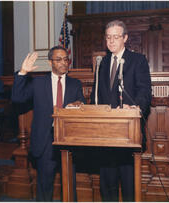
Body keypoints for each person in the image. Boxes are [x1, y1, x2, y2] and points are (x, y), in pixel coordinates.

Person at [12, 46, 86, 201]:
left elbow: (83, 107)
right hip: (46, 141)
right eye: (58, 59)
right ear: (50, 62)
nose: (64, 63)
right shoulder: (38, 83)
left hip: (68, 141)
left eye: (66, 59)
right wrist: (23, 72)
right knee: (44, 187)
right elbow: (17, 98)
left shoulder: (75, 84)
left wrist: (79, 105)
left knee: (69, 187)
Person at [90, 20, 152, 201]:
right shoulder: (102, 62)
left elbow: (144, 91)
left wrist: (136, 107)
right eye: (108, 37)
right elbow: (96, 95)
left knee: (129, 186)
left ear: (125, 38)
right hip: (105, 135)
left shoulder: (137, 60)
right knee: (107, 184)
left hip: (128, 133)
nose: (111, 41)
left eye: (115, 37)